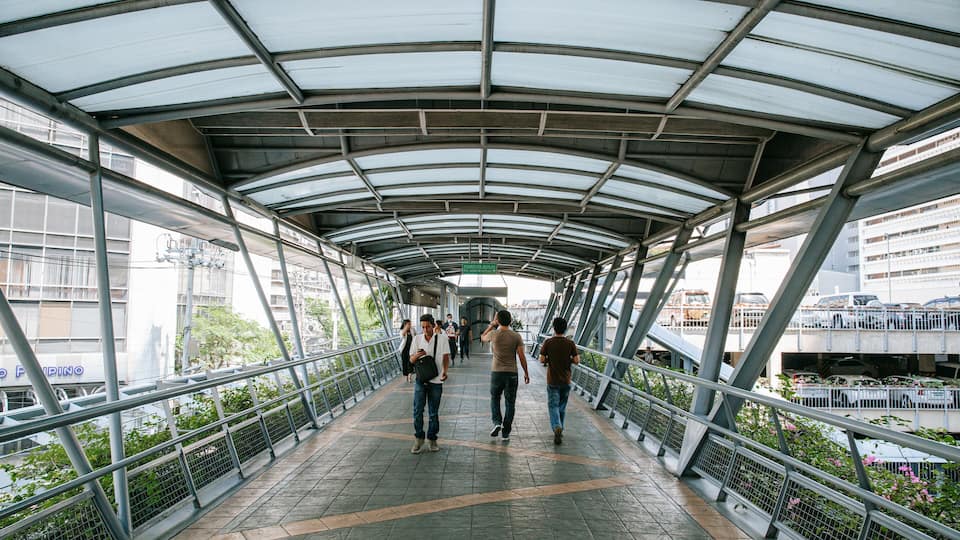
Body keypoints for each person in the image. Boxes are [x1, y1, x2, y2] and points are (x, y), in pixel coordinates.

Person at [481, 310, 529, 441]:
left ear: (498, 321)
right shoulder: (516, 336)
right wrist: (526, 372)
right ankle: (506, 431)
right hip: (512, 373)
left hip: (496, 373)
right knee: (510, 402)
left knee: (495, 398)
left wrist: (491, 325)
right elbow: (521, 356)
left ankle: (497, 422)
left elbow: (482, 337)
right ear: (511, 321)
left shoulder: (494, 334)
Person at [410, 314, 449, 453]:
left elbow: (445, 356)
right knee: (417, 410)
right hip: (421, 380)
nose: (425, 329)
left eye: (427, 326)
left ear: (434, 325)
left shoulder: (442, 339)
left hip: (436, 380)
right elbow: (411, 359)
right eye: (423, 327)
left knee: (433, 413)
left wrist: (445, 371)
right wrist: (418, 355)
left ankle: (432, 439)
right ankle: (419, 438)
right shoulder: (417, 339)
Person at [539, 317, 580, 445]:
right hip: (566, 380)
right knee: (562, 406)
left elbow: (541, 359)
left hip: (552, 380)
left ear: (553, 328)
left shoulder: (548, 342)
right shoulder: (570, 343)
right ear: (565, 328)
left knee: (553, 406)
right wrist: (568, 360)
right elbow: (577, 360)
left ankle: (557, 426)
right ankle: (560, 428)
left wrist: (549, 360)